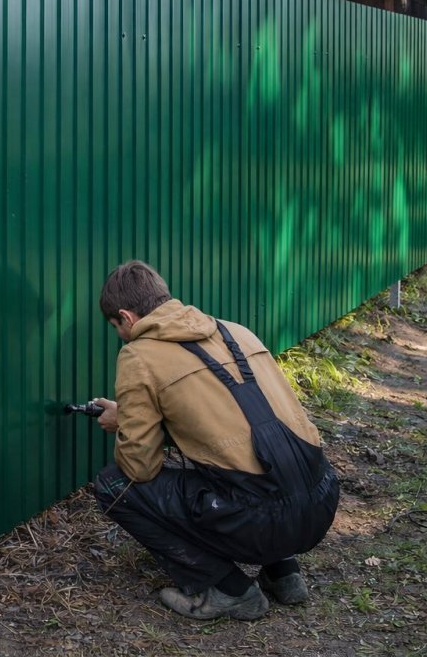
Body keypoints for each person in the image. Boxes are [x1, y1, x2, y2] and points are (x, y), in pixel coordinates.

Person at [91, 260, 339, 621]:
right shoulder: (235, 331)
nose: (120, 335)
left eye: (116, 327)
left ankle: (229, 590)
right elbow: (249, 423)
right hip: (321, 499)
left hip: (263, 522)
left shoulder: (139, 356)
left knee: (113, 485)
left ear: (127, 318)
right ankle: (284, 573)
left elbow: (139, 467)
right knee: (246, 457)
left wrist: (128, 419)